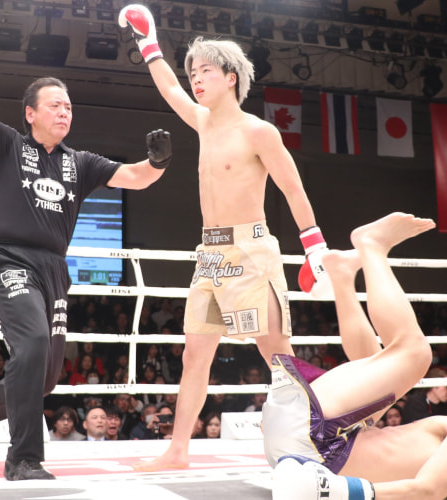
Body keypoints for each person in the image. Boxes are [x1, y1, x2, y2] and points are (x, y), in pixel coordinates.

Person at [0, 1, 170, 481]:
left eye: (68, 106)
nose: (64, 111)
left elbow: (136, 177)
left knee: (44, 377)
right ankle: (23, 459)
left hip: (54, 270)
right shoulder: (8, 143)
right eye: (55, 105)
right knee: (30, 348)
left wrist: (158, 162)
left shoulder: (80, 162)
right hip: (11, 260)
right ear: (30, 113)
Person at [119, 5, 330, 471]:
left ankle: (323, 439)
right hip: (209, 253)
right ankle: (177, 450)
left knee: (278, 356)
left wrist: (315, 247)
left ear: (231, 77)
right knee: (195, 355)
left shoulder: (259, 131)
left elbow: (293, 188)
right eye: (193, 72)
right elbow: (169, 88)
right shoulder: (203, 121)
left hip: (251, 250)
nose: (196, 80)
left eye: (206, 72)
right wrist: (148, 42)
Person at [262, 213, 447, 500]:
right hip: (310, 450)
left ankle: (372, 246)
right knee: (378, 360)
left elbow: (428, 491)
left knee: (414, 354)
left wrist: (335, 492)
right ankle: (342, 278)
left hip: (313, 441)